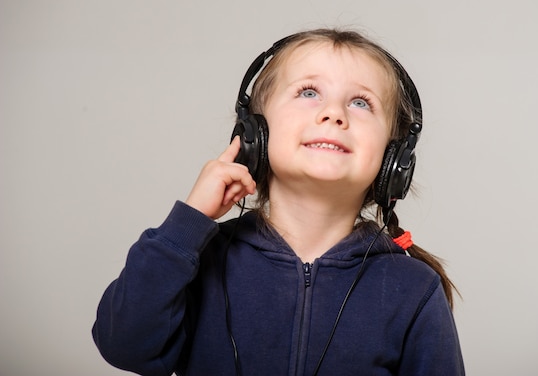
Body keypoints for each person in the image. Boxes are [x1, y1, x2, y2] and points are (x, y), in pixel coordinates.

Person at [92, 28, 465, 376]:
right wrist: (187, 225)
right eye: (308, 92)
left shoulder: (414, 288)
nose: (334, 113)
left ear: (392, 159)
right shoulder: (199, 260)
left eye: (360, 102)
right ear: (256, 133)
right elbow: (124, 345)